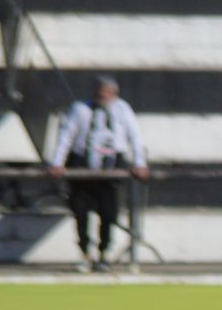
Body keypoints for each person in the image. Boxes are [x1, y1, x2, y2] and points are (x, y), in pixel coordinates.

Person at [46, 75, 148, 273]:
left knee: (108, 212)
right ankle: (85, 252)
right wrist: (57, 162)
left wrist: (139, 163)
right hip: (82, 162)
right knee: (80, 211)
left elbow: (134, 136)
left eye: (107, 94)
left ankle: (104, 253)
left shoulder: (122, 109)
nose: (102, 97)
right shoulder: (80, 109)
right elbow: (66, 135)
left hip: (111, 165)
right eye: (99, 93)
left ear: (114, 94)